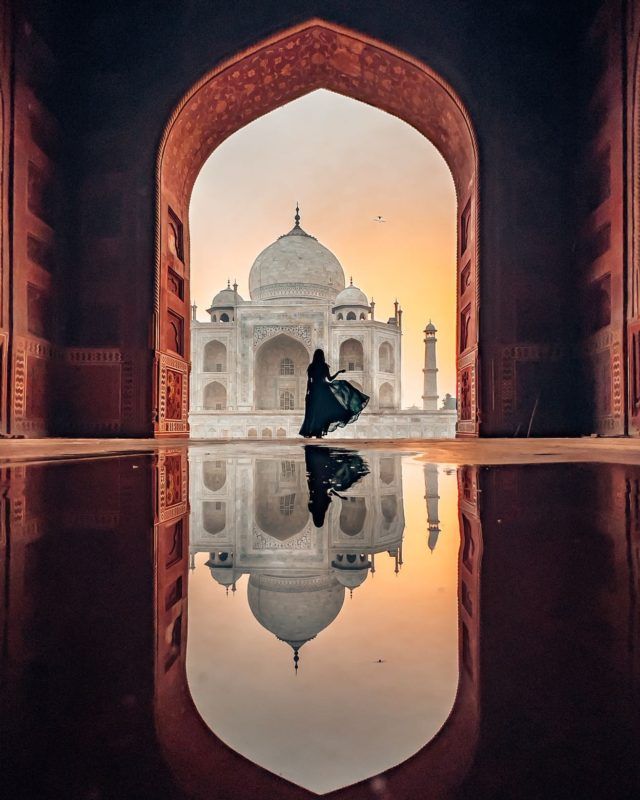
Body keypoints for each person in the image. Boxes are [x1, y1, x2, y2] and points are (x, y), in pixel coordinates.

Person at [299, 349, 369, 438]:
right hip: (323, 390)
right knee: (324, 411)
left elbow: (309, 381)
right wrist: (338, 372)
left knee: (313, 412)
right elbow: (329, 379)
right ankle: (318, 433)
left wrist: (307, 392)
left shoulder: (311, 367)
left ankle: (310, 432)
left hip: (314, 390)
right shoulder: (324, 366)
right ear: (322, 356)